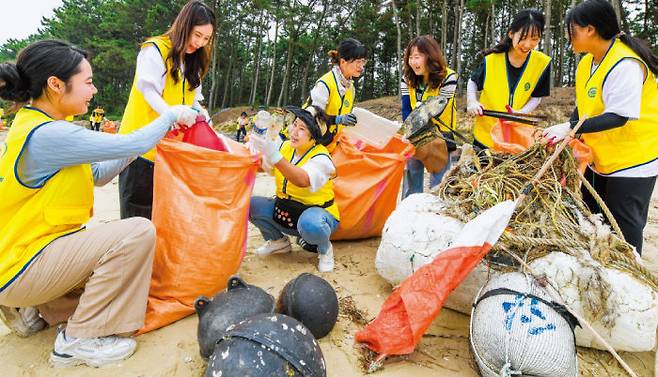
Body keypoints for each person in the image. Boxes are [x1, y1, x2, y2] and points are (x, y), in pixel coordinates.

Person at [0, 39, 197, 367]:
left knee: (109, 269)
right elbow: (132, 140)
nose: (94, 90)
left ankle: (35, 309)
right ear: (55, 85)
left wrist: (143, 142)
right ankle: (78, 339)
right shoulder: (48, 135)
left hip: (20, 257)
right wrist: (170, 115)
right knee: (135, 234)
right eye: (88, 82)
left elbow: (100, 174)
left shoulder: (37, 127)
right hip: (21, 266)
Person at [542, 0, 658, 255]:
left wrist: (569, 128)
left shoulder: (625, 64)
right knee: (593, 221)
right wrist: (566, 131)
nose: (568, 36)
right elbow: (584, 108)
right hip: (599, 158)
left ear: (590, 30)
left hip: (632, 161)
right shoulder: (587, 63)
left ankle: (630, 281)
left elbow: (619, 116)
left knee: (623, 232)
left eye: (571, 29)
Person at [119, 0, 215, 219]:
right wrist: (171, 113)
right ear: (183, 26)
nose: (199, 43)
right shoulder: (154, 50)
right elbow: (148, 91)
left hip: (172, 154)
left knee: (164, 219)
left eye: (206, 39)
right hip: (140, 150)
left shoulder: (194, 61)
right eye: (196, 35)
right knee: (137, 219)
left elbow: (192, 100)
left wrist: (204, 117)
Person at [249, 106, 340, 272]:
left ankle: (325, 249)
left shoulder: (322, 157)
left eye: (302, 129)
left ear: (314, 136)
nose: (294, 132)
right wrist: (255, 150)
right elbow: (267, 167)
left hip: (315, 215)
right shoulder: (285, 147)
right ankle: (278, 242)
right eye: (295, 124)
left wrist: (274, 155)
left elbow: (302, 180)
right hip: (286, 210)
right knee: (250, 205)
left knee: (311, 224)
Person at [467, 9, 551, 149]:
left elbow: (537, 97)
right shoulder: (491, 60)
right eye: (523, 38)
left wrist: (522, 112)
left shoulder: (542, 63)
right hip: (486, 134)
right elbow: (473, 82)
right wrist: (472, 102)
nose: (528, 44)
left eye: (535, 39)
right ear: (511, 34)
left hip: (517, 136)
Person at [400, 35, 458, 198]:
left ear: (430, 56)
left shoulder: (449, 77)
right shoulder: (407, 78)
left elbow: (437, 108)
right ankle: (409, 212)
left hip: (440, 135)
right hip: (416, 133)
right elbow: (405, 107)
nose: (412, 62)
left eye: (417, 57)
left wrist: (412, 125)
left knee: (439, 185)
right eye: (410, 57)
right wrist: (408, 130)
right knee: (412, 181)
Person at [306, 38, 367, 152]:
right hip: (311, 145)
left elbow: (344, 120)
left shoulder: (351, 88)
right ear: (343, 62)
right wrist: (338, 119)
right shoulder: (325, 84)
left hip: (331, 145)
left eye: (363, 61)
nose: (361, 66)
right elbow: (312, 119)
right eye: (358, 62)